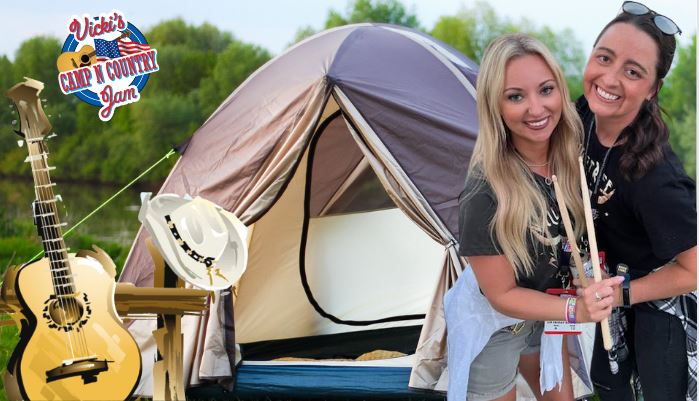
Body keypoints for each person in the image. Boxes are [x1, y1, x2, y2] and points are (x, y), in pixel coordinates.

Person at [457, 33, 624, 401]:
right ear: (494, 106)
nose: (536, 109)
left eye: (545, 89)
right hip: (495, 322)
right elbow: (500, 294)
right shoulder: (484, 191)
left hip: (547, 309)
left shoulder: (573, 156)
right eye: (516, 96)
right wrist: (574, 308)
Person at [577, 2, 697, 401]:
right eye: (604, 58)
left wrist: (622, 295)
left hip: (661, 304)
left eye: (633, 71)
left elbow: (694, 270)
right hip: (611, 289)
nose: (609, 79)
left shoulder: (656, 178)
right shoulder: (584, 116)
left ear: (652, 89)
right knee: (609, 389)